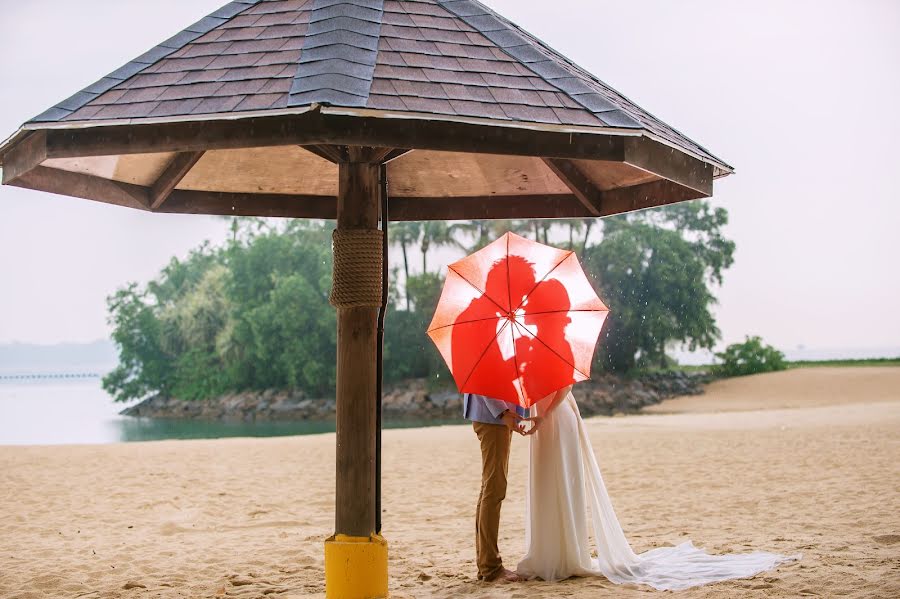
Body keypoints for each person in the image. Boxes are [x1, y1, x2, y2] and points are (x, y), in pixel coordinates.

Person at [515, 384, 801, 590]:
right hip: (541, 419)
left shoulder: (557, 346)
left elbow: (564, 386)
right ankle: (549, 551)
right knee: (546, 483)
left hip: (556, 415)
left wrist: (544, 412)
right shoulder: (529, 351)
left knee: (563, 482)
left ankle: (566, 554)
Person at [464, 392, 527, 583]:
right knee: (494, 489)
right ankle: (491, 567)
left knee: (490, 488)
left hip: (496, 417)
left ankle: (486, 564)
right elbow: (482, 382)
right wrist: (503, 412)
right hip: (493, 418)